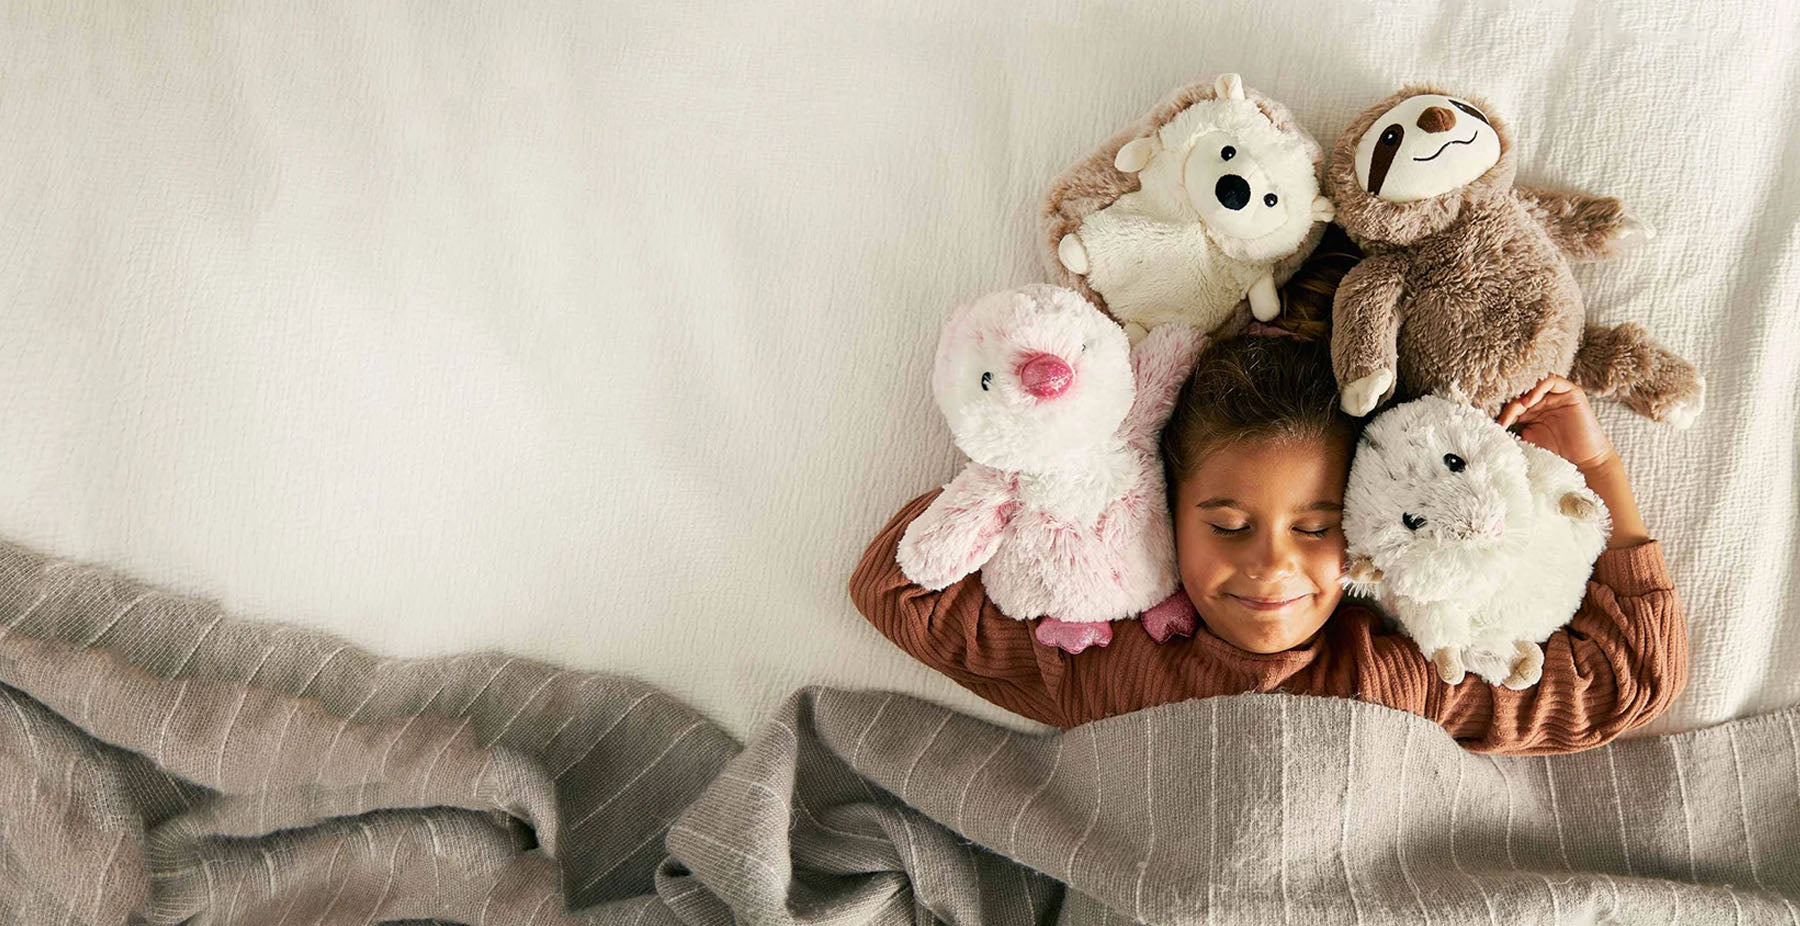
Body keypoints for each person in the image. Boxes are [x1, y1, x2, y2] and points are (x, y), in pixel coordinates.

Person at [848, 231, 1686, 754]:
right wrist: (1062, 452)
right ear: (1166, 509)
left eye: (1314, 527)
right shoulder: (1106, 664)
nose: (1270, 564)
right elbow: (893, 586)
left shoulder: (1404, 674)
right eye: (1226, 524)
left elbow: (1627, 681)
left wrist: (1595, 468)